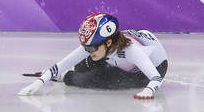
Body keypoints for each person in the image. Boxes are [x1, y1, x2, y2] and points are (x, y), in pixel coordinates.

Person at [18, 13, 168, 100]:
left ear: (108, 41)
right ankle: (75, 70)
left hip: (152, 67)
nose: (88, 50)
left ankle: (66, 77)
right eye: (86, 47)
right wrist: (40, 81)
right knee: (87, 61)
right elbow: (62, 63)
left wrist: (149, 91)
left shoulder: (131, 51)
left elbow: (156, 78)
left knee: (104, 78)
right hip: (115, 56)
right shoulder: (98, 44)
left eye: (90, 47)